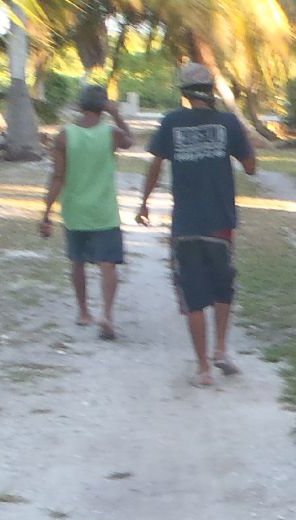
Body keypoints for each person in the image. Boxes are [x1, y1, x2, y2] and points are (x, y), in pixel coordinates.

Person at [135, 62, 258, 388]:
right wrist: (240, 141)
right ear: (211, 91)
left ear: (185, 92)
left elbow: (155, 166)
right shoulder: (228, 123)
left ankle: (203, 368)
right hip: (220, 223)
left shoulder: (171, 122)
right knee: (222, 287)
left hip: (185, 225)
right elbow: (251, 168)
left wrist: (144, 203)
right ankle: (220, 349)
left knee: (193, 295)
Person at [38, 84, 132, 340]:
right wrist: (117, 115)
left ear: (79, 106)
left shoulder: (64, 136)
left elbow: (57, 177)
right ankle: (108, 315)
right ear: (103, 107)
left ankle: (83, 312)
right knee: (108, 265)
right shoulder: (110, 133)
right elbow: (130, 141)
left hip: (75, 210)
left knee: (77, 262)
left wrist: (46, 213)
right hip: (104, 212)